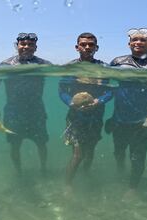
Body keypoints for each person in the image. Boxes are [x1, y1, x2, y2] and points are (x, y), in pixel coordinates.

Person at [106, 28, 147, 198]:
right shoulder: (117, 62)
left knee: (137, 157)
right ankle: (120, 171)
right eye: (135, 40)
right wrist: (99, 102)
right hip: (119, 120)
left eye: (143, 40)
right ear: (129, 44)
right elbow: (109, 88)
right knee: (118, 151)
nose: (138, 42)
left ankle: (132, 187)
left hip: (143, 122)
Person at [0, 32, 52, 176]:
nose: (26, 47)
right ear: (16, 46)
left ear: (35, 47)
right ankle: (19, 172)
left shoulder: (44, 64)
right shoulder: (6, 65)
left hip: (36, 112)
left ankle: (43, 169)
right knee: (15, 144)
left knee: (41, 143)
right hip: (13, 112)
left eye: (30, 45)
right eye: (23, 44)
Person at [58, 32, 113, 195]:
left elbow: (110, 91)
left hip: (96, 118)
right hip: (75, 117)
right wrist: (71, 102)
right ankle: (67, 184)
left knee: (90, 151)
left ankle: (86, 173)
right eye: (83, 44)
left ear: (97, 47)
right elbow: (62, 90)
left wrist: (99, 101)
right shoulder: (70, 68)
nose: (87, 47)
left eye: (91, 44)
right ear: (77, 47)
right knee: (78, 154)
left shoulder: (104, 68)